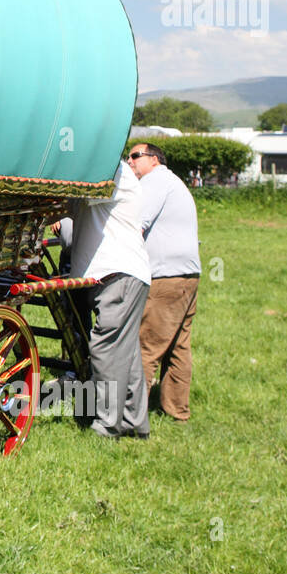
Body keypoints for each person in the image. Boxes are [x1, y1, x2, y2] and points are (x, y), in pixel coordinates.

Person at [56, 159, 152, 439]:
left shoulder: (111, 171)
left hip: (118, 273)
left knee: (106, 348)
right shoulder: (102, 169)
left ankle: (106, 426)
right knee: (127, 353)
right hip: (113, 274)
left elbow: (70, 196)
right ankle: (134, 422)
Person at [127, 142, 200, 421]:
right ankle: (176, 410)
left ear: (154, 160)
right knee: (178, 347)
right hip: (187, 275)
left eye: (136, 156)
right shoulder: (173, 182)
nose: (130, 161)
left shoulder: (155, 181)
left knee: (146, 345)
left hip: (166, 276)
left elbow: (136, 223)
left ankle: (131, 416)